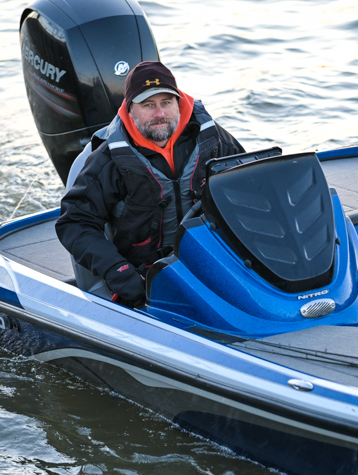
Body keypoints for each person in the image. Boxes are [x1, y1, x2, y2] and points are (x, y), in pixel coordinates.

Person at [56, 61, 244, 307]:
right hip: (142, 280)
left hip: (210, 265)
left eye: (166, 102)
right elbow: (74, 223)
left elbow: (251, 188)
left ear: (178, 102)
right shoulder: (108, 158)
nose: (159, 114)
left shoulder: (213, 139)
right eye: (148, 105)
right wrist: (119, 272)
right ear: (130, 109)